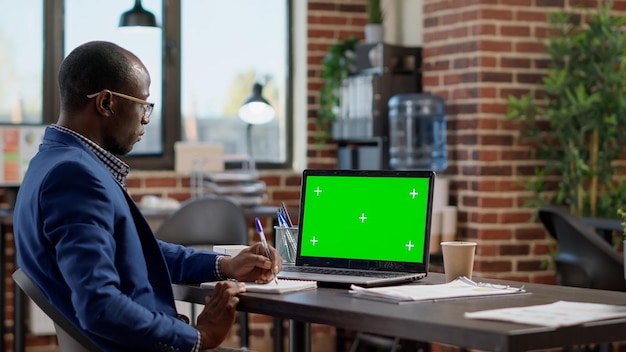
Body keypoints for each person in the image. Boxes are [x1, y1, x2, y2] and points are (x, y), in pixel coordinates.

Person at [13, 40, 282, 352]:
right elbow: (99, 306)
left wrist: (225, 265)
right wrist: (197, 338)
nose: (145, 119)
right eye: (143, 105)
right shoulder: (75, 176)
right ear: (106, 103)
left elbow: (138, 252)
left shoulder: (50, 160)